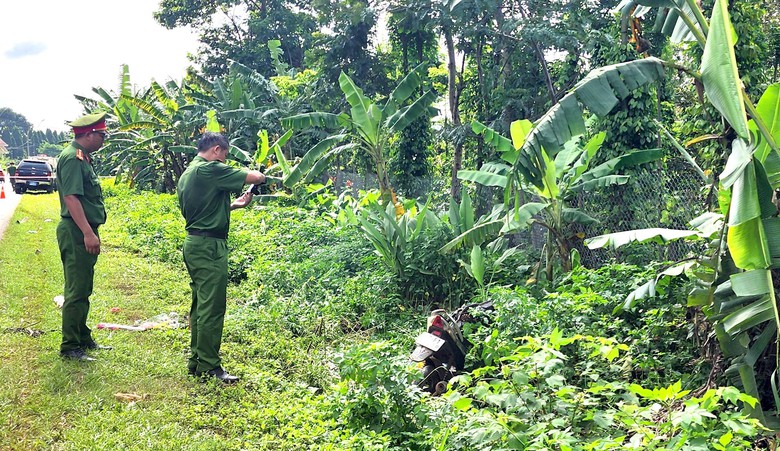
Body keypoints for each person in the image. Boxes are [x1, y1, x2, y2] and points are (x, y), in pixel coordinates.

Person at [177, 132, 265, 383]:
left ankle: (197, 360)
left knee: (200, 304)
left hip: (195, 241)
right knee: (212, 306)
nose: (225, 160)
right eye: (225, 155)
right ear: (217, 150)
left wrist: (234, 205)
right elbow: (256, 177)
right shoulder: (210, 169)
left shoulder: (189, 172)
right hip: (209, 247)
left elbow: (203, 209)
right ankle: (208, 365)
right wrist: (260, 174)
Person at [56, 112, 112, 361]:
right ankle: (70, 346)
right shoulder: (73, 159)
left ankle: (82, 336)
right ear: (89, 134)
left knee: (84, 286)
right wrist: (88, 233)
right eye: (102, 135)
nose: (103, 139)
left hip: (82, 229)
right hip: (77, 230)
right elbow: (71, 198)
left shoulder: (83, 158)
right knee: (77, 289)